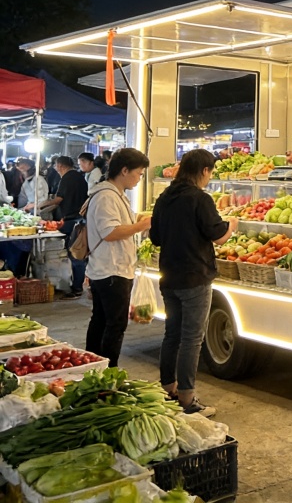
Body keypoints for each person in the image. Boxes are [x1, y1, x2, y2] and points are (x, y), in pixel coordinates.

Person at [150, 149, 238, 417]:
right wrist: (232, 225)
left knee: (172, 334)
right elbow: (218, 235)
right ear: (204, 171)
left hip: (169, 276)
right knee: (192, 339)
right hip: (195, 277)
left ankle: (168, 389)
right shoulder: (200, 198)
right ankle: (187, 398)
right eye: (210, 172)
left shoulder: (165, 197)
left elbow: (155, 237)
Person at [84, 148, 152, 367]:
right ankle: (107, 370)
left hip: (109, 268)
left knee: (102, 320)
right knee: (114, 324)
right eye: (139, 173)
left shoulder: (115, 194)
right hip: (111, 270)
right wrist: (140, 226)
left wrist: (136, 222)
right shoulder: (106, 196)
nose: (139, 178)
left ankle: (94, 366)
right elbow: (110, 232)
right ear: (125, 170)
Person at [39, 156, 89, 298]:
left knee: (74, 254)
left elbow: (59, 198)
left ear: (60, 165)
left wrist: (41, 205)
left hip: (72, 221)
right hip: (78, 219)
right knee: (76, 253)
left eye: (55, 165)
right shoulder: (79, 177)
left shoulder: (67, 178)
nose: (55, 168)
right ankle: (75, 285)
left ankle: (77, 288)